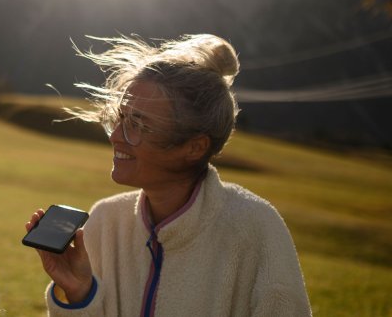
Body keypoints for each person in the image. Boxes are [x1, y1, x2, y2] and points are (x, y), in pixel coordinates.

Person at [25, 34, 311, 316]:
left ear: (194, 147)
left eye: (138, 125)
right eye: (122, 117)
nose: (115, 136)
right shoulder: (104, 221)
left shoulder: (256, 229)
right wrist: (79, 295)